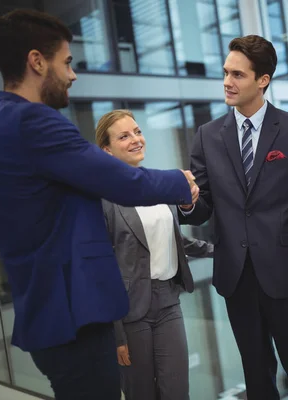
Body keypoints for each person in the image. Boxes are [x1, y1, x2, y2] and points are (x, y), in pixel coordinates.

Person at [0, 9, 196, 400]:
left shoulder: (2, 123)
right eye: (67, 62)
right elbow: (121, 181)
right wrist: (180, 181)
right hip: (71, 317)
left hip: (55, 313)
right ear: (37, 62)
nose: (73, 74)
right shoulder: (33, 123)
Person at [178, 35, 288, 399]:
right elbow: (203, 207)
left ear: (263, 80)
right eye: (226, 73)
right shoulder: (207, 135)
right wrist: (186, 202)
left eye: (238, 75)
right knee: (257, 379)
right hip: (236, 279)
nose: (227, 81)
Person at [95, 109, 213, 400]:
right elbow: (100, 269)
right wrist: (117, 335)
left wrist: (218, 252)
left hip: (168, 301)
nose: (136, 139)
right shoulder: (102, 198)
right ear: (106, 150)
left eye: (137, 131)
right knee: (142, 394)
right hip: (129, 311)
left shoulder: (158, 184)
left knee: (177, 392)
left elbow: (173, 240)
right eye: (124, 136)